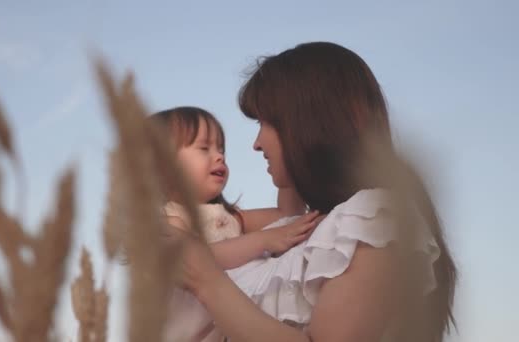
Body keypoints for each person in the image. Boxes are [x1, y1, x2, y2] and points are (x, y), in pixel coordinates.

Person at [174, 42, 457, 342]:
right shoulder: (295, 231)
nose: (256, 143)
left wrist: (209, 283)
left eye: (266, 122)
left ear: (307, 121)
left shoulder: (373, 220)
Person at [151, 106, 322, 341]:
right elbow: (200, 260)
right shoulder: (166, 221)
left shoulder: (229, 217)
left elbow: (287, 215)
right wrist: (262, 240)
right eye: (204, 148)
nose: (219, 156)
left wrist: (288, 160)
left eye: (220, 148)